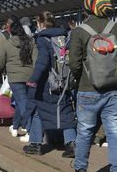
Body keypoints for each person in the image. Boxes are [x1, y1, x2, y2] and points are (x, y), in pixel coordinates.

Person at [69, 0, 117, 172]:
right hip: (114, 89)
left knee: (85, 131)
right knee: (113, 131)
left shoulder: (79, 31)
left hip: (88, 89)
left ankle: (80, 168)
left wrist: (84, 75)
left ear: (88, 8)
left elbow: (74, 63)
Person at [23, 12, 76, 158]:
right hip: (64, 82)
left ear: (41, 24)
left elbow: (42, 61)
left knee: (38, 111)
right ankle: (72, 143)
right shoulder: (65, 36)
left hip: (47, 84)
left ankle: (36, 144)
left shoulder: (43, 38)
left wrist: (33, 79)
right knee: (65, 111)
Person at [0, 17, 34, 139]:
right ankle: (15, 127)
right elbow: (35, 59)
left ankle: (30, 131)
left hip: (15, 78)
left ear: (11, 31)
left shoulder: (7, 44)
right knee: (22, 103)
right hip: (30, 76)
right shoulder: (30, 42)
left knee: (23, 104)